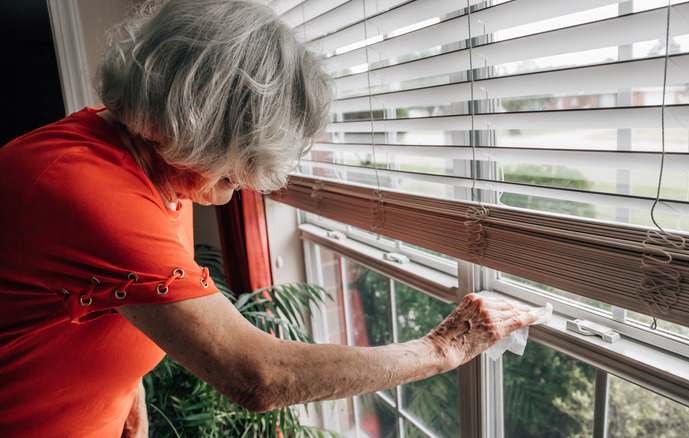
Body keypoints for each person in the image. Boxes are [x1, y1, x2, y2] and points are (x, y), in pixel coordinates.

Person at [0, 1, 541, 436]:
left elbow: (102, 291)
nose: (237, 192)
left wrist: (124, 392)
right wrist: (442, 349)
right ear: (192, 122)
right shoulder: (84, 188)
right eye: (236, 168)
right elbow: (260, 376)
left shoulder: (156, 164)